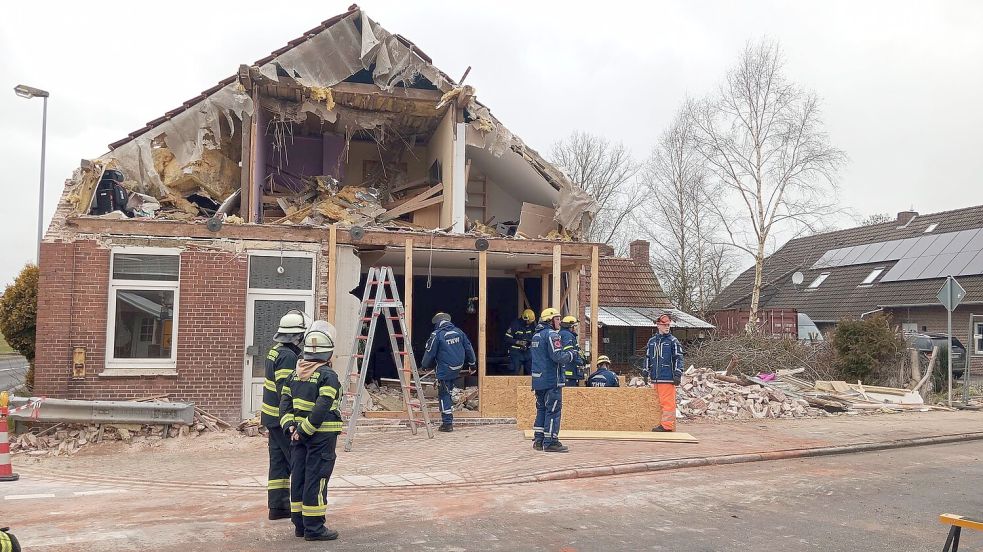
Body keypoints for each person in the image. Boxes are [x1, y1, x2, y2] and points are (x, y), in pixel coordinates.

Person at [280, 320, 343, 541]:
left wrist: (290, 426)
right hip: (320, 437)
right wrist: (306, 430)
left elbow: (284, 403)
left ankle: (300, 525)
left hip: (297, 437)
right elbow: (322, 406)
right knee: (317, 479)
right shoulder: (327, 376)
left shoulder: (294, 374)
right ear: (328, 353)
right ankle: (314, 528)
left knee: (299, 477)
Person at [261, 309, 306, 521]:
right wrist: (294, 418)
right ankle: (302, 508)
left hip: (271, 418)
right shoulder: (288, 356)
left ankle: (278, 508)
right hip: (281, 420)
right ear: (297, 335)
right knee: (296, 461)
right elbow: (286, 390)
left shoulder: (275, 351)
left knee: (278, 463)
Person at [421, 312, 476, 432]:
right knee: (449, 391)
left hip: (445, 370)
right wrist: (472, 364)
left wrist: (424, 365)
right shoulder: (459, 332)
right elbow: (468, 347)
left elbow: (430, 352)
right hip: (457, 368)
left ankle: (447, 423)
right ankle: (448, 411)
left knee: (444, 394)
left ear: (438, 323)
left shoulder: (437, 334)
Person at [530, 307, 575, 452]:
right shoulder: (552, 335)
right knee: (553, 410)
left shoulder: (536, 336)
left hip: (538, 380)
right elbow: (558, 356)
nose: (559, 322)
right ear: (549, 320)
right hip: (551, 380)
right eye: (557, 319)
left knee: (541, 409)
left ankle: (539, 441)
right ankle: (551, 442)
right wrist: (572, 354)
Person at [645, 313, 684, 432]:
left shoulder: (673, 341)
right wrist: (645, 371)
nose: (667, 327)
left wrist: (677, 374)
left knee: (667, 403)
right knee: (659, 403)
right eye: (664, 325)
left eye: (668, 325)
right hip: (655, 378)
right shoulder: (652, 341)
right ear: (658, 325)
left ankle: (667, 425)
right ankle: (663, 424)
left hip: (667, 377)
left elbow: (678, 358)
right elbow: (647, 357)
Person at [504, 309, 536, 375]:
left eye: (531, 321)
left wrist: (530, 342)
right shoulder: (515, 324)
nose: (529, 323)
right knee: (514, 373)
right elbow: (507, 338)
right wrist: (518, 342)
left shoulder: (532, 325)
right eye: (528, 321)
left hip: (528, 352)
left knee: (533, 373)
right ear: (524, 318)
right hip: (516, 353)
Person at [559, 315, 585, 387]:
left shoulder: (563, 334)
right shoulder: (567, 335)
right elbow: (569, 352)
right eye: (575, 326)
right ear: (570, 326)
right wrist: (580, 362)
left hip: (567, 372)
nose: (576, 328)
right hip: (569, 372)